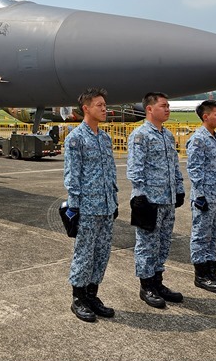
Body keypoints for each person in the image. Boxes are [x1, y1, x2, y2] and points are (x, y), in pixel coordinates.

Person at [63, 88, 118, 322]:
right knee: (84, 254)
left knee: (102, 253)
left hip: (106, 206)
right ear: (86, 108)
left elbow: (111, 173)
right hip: (86, 208)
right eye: (99, 105)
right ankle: (78, 298)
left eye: (105, 105)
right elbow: (72, 176)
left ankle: (92, 295)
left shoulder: (105, 138)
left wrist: (114, 201)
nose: (104, 109)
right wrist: (73, 207)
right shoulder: (75, 138)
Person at [127, 92, 185, 309]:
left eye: (168, 105)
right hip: (149, 200)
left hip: (168, 199)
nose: (168, 109)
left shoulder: (167, 135)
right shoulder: (140, 135)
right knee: (146, 244)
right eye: (163, 106)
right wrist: (140, 195)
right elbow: (135, 168)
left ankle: (158, 282)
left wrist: (178, 189)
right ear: (149, 109)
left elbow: (175, 165)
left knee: (163, 243)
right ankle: (146, 285)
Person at [186, 100, 216, 293]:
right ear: (206, 116)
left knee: (213, 237)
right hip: (205, 198)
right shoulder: (198, 139)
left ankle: (211, 272)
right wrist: (200, 196)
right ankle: (201, 275)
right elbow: (194, 169)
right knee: (200, 236)